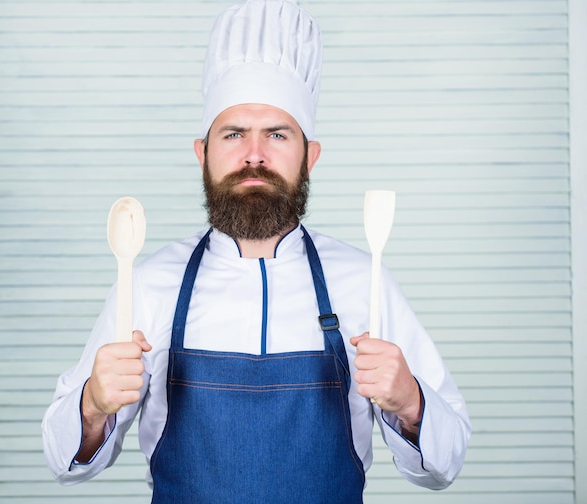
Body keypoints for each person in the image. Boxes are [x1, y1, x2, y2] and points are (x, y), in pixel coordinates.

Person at [42, 0, 471, 502]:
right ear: (203, 154)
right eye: (233, 134)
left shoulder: (364, 281)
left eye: (277, 133)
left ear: (309, 157)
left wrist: (412, 402)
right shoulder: (148, 281)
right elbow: (63, 463)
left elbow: (445, 463)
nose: (254, 154)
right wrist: (93, 405)